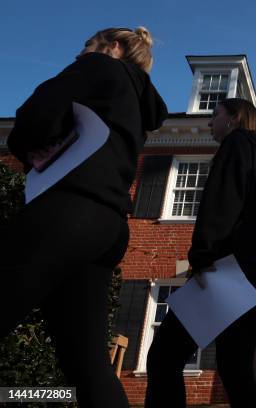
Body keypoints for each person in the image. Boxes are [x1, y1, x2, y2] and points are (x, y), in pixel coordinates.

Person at [0, 27, 168, 407]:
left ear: (113, 46)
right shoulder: (141, 105)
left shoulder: (99, 67)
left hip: (68, 209)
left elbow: (34, 118)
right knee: (88, 364)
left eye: (87, 46)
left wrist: (31, 147)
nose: (80, 54)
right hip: (109, 226)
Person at [144, 98, 256, 408]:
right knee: (235, 369)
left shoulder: (236, 143)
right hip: (255, 272)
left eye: (215, 115)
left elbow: (221, 204)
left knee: (163, 357)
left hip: (227, 270)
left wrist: (201, 256)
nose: (210, 123)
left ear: (233, 118)